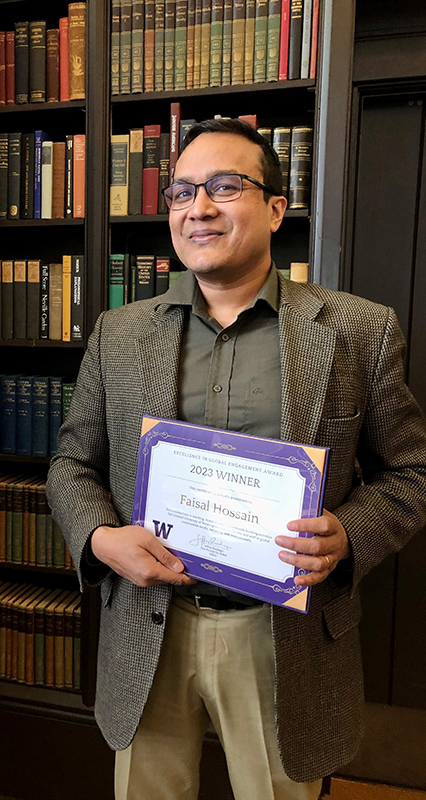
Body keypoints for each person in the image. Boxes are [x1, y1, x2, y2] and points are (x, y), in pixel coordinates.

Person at [46, 118, 426, 800]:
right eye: (183, 191)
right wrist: (102, 540)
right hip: (149, 620)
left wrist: (347, 535)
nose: (199, 208)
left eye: (226, 186)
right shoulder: (119, 334)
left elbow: (412, 475)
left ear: (277, 208)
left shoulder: (358, 331)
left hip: (282, 635)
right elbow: (72, 465)